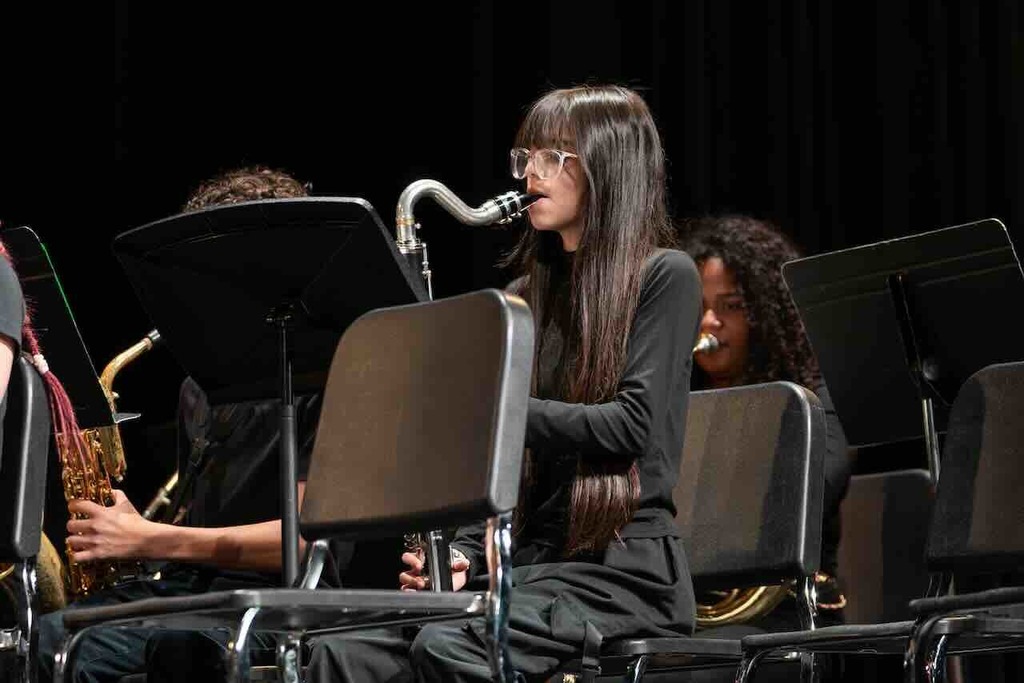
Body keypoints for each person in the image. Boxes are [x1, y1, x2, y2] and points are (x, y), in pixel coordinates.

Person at [304, 84, 703, 682]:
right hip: (533, 570)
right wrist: (464, 555)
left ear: (610, 166)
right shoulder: (522, 300)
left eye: (554, 156)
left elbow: (632, 425)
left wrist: (492, 406)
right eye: (526, 157)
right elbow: (506, 462)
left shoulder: (664, 276)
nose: (530, 174)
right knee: (341, 652)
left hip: (624, 572)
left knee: (449, 645)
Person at [35, 165, 334, 682]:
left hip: (290, 599)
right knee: (46, 635)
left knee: (124, 651)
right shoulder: (198, 387)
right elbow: (207, 520)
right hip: (197, 586)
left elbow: (308, 542)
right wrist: (130, 531)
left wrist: (148, 538)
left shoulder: (327, 374)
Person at [679, 214, 853, 633]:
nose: (709, 323)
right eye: (699, 307)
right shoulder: (676, 400)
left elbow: (814, 489)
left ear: (767, 312)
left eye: (731, 307)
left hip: (788, 611)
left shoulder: (812, 396)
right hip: (692, 606)